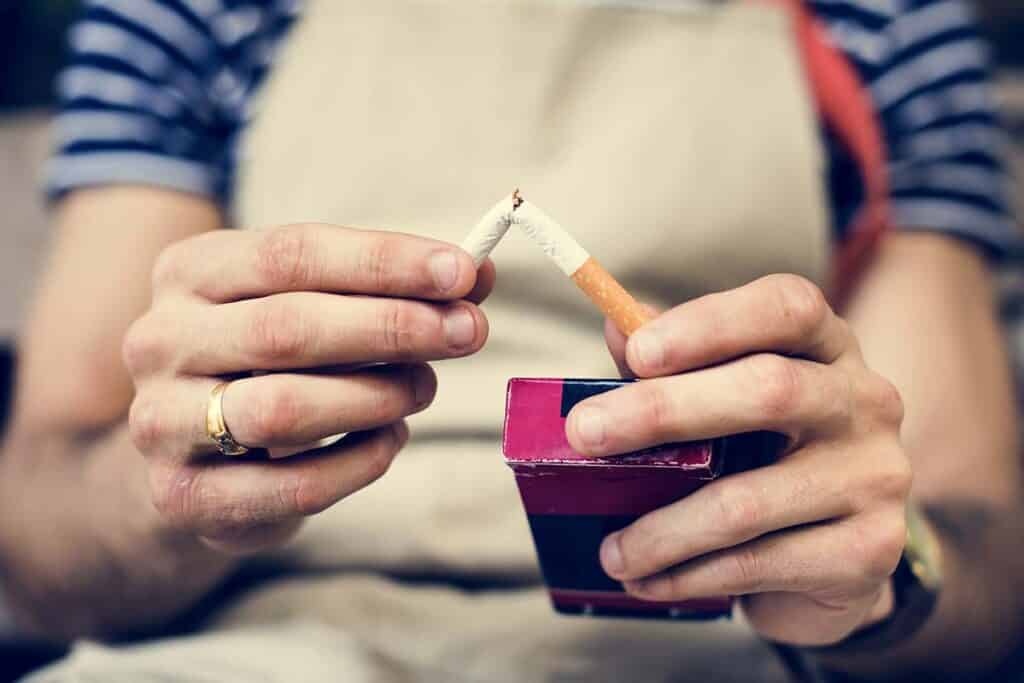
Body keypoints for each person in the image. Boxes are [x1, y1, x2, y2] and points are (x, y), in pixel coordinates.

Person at [1, 0, 1022, 680]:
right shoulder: (188, 12)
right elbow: (40, 552)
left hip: (719, 649)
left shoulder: (884, 19)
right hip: (263, 641)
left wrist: (885, 567)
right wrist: (170, 487)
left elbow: (988, 570)